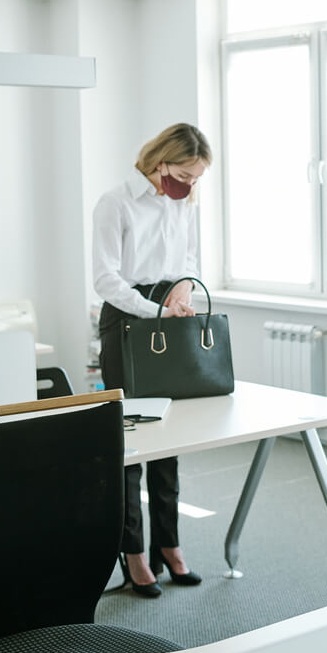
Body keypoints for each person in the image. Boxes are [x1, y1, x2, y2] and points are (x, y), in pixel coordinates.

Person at [93, 122, 211, 597]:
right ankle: (134, 552)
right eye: (185, 173)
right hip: (126, 319)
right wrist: (155, 309)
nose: (190, 184)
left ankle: (170, 544)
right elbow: (106, 280)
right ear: (160, 162)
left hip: (170, 312)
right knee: (132, 443)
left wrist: (182, 292)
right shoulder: (115, 202)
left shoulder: (185, 202)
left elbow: (192, 262)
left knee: (170, 438)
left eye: (197, 178)